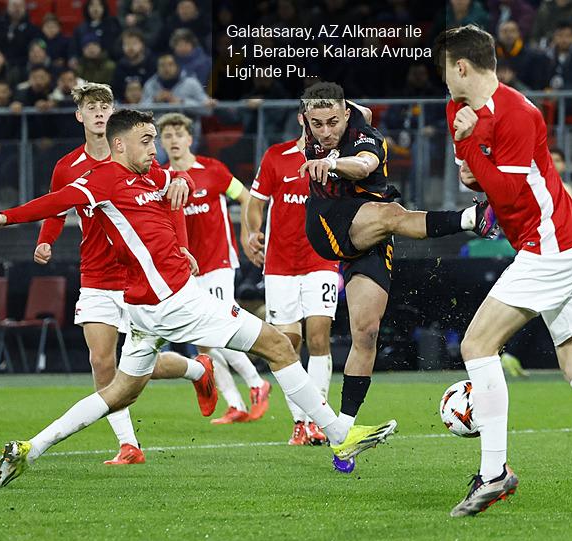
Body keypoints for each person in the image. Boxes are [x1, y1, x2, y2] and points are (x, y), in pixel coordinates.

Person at [0, 109, 398, 488]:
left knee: (120, 391)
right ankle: (340, 436)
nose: (155, 148)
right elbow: (57, 201)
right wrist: (4, 218)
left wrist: (179, 181)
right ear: (119, 144)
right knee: (277, 345)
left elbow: (182, 177)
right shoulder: (102, 179)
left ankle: (31, 448)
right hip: (174, 302)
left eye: (156, 140)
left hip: (144, 307)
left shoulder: (151, 175)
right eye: (146, 141)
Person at [436, 24, 572, 517]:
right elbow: (476, 177)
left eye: (444, 68)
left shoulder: (519, 113)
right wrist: (469, 151)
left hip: (553, 249)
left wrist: (470, 148)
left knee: (476, 345)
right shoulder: (456, 111)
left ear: (461, 66)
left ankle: (494, 474)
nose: (442, 78)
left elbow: (503, 193)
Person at [300, 82, 497, 469]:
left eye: (333, 122)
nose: (325, 131)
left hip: (369, 231)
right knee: (393, 217)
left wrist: (334, 162)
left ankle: (343, 433)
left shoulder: (366, 136)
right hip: (328, 223)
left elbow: (365, 165)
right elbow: (332, 110)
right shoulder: (316, 118)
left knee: (367, 331)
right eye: (317, 124)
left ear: (346, 115)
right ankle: (471, 218)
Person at [32, 83, 207, 465]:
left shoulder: (137, 158)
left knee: (139, 366)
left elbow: (173, 194)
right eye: (91, 107)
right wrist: (46, 240)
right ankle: (129, 445)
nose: (99, 112)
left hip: (139, 278)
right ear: (79, 115)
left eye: (105, 106)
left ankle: (197, 369)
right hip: (96, 275)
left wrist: (181, 245)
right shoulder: (67, 167)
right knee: (101, 362)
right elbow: (55, 207)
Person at [158, 112, 272, 425]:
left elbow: (246, 196)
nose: (173, 141)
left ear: (190, 138)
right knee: (204, 339)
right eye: (167, 136)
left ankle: (256, 383)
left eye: (179, 134)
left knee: (219, 328)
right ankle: (235, 404)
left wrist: (251, 231)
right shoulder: (161, 178)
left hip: (218, 262)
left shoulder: (212, 170)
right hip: (186, 270)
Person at [245, 105, 342, 446]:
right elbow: (255, 203)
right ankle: (299, 422)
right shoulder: (276, 156)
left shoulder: (338, 161)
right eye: (314, 119)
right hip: (280, 264)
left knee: (318, 336)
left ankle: (316, 422)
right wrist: (251, 233)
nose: (321, 127)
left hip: (322, 259)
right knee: (287, 345)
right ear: (303, 119)